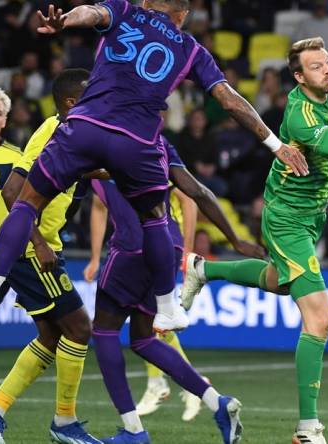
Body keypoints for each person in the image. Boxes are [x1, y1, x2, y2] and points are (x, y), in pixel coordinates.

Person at [0, 0, 307, 335]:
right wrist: (275, 144)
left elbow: (91, 13)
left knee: (26, 202)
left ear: (146, 3)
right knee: (155, 218)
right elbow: (229, 100)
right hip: (137, 143)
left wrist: (66, 21)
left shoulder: (125, 10)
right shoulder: (190, 48)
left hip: (85, 127)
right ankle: (168, 308)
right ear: (182, 15)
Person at [180, 37, 328, 443]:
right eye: (317, 66)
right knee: (319, 318)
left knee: (276, 280)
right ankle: (308, 428)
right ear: (299, 76)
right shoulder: (301, 113)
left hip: (313, 217)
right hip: (285, 217)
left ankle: (203, 269)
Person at [84, 135, 261, 444]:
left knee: (104, 332)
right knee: (143, 339)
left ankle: (133, 430)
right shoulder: (159, 141)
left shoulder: (101, 137)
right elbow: (197, 191)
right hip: (166, 245)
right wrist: (234, 239)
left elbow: (87, 171)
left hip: (132, 247)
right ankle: (216, 402)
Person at [0, 75, 103, 443]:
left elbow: (80, 170)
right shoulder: (53, 133)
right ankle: (64, 423)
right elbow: (11, 191)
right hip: (31, 249)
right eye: (91, 94)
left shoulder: (70, 130)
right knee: (80, 328)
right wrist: (38, 242)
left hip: (41, 245)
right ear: (71, 102)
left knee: (52, 336)